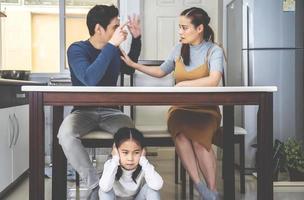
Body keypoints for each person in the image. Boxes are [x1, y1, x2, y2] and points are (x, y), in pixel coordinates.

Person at [121, 7, 223, 200]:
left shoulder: (214, 50)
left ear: (199, 28)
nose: (180, 32)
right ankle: (199, 185)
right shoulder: (178, 50)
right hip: (180, 109)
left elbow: (213, 80)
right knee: (182, 135)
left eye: (184, 28)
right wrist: (134, 65)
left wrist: (184, 84)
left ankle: (212, 190)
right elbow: (161, 71)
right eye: (179, 27)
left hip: (207, 111)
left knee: (200, 142)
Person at [57, 4, 141, 198]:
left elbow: (129, 68)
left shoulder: (114, 50)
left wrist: (136, 39)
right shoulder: (77, 49)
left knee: (131, 136)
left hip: (112, 112)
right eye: (114, 26)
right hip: (82, 112)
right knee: (65, 135)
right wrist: (112, 46)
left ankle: (122, 184)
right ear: (98, 28)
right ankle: (96, 185)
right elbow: (89, 78)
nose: (120, 30)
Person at [99, 127, 163, 200]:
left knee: (153, 189)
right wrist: (115, 159)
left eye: (136, 153)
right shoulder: (111, 164)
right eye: (125, 153)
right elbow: (104, 187)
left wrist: (143, 161)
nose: (130, 158)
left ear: (142, 151)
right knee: (104, 191)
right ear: (116, 150)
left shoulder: (144, 166)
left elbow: (157, 185)